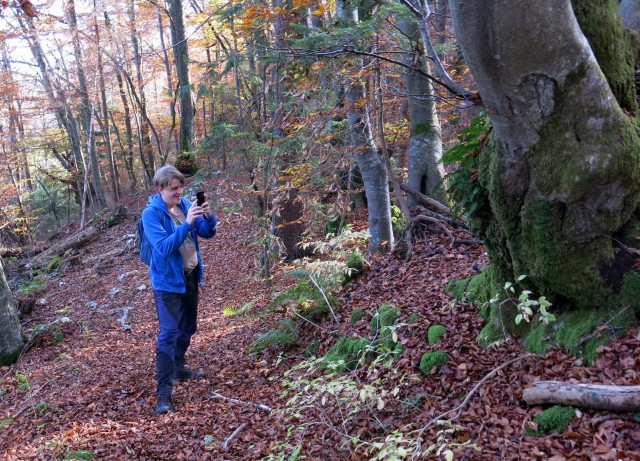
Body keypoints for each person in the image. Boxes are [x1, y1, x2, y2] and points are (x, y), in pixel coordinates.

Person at [141, 165, 217, 414]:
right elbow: (163, 247)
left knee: (189, 326)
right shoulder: (151, 214)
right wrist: (187, 224)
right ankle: (163, 393)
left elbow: (207, 233)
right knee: (168, 333)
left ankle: (178, 366)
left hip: (190, 276)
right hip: (167, 283)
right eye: (173, 188)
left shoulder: (184, 204)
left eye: (181, 187)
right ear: (160, 188)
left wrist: (207, 216)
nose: (179, 192)